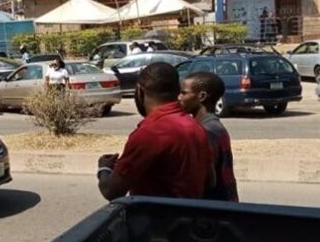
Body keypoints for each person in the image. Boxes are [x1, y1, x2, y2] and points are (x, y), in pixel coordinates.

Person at [97, 62, 213, 201]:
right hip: (190, 217)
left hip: (158, 219)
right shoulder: (196, 127)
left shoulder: (149, 134)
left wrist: (104, 169)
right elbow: (210, 180)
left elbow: (111, 191)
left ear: (140, 90)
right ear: (177, 91)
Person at [178, 72, 239, 202]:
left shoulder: (206, 131)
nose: (179, 98)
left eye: (184, 93)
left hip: (214, 208)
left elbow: (207, 179)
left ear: (202, 96)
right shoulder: (213, 126)